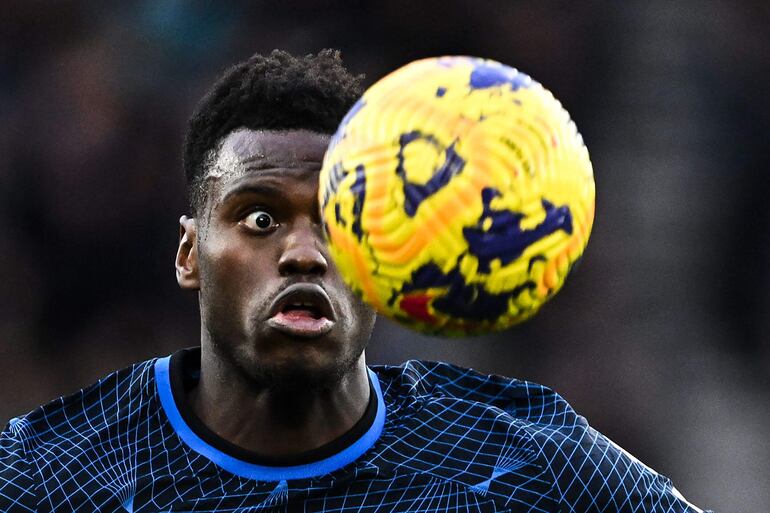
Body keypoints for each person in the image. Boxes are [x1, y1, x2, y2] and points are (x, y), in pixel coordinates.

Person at [0, 50, 708, 512]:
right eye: (258, 218)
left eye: (341, 220)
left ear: (386, 258)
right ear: (189, 254)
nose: (304, 253)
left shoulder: (526, 462)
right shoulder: (47, 476)